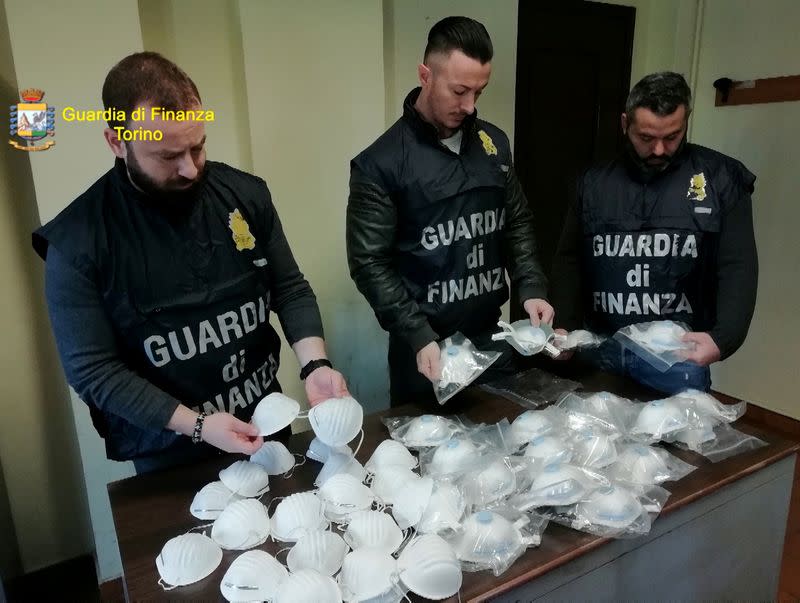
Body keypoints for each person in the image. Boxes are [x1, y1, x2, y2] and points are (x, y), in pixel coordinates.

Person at [33, 52, 348, 473]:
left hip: (265, 422)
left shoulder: (243, 195)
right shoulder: (79, 242)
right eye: (167, 156)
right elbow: (94, 372)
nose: (190, 169)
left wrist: (315, 364)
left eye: (198, 147)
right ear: (116, 141)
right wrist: (197, 425)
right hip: (170, 449)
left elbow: (288, 287)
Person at [347, 16, 552, 406]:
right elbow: (369, 262)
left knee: (506, 450)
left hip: (492, 340)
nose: (470, 105)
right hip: (427, 352)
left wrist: (530, 288)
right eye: (459, 91)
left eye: (479, 91)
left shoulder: (494, 144)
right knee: (432, 460)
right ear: (426, 75)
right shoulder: (382, 163)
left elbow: (517, 222)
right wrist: (416, 332)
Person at [551, 71, 758, 394]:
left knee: (676, 443)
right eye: (646, 138)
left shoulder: (721, 179)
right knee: (594, 439)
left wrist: (723, 339)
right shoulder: (593, 183)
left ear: (686, 121)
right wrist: (563, 323)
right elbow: (569, 258)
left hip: (677, 356)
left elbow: (738, 265)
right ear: (625, 124)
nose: (659, 149)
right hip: (601, 348)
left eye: (672, 137)